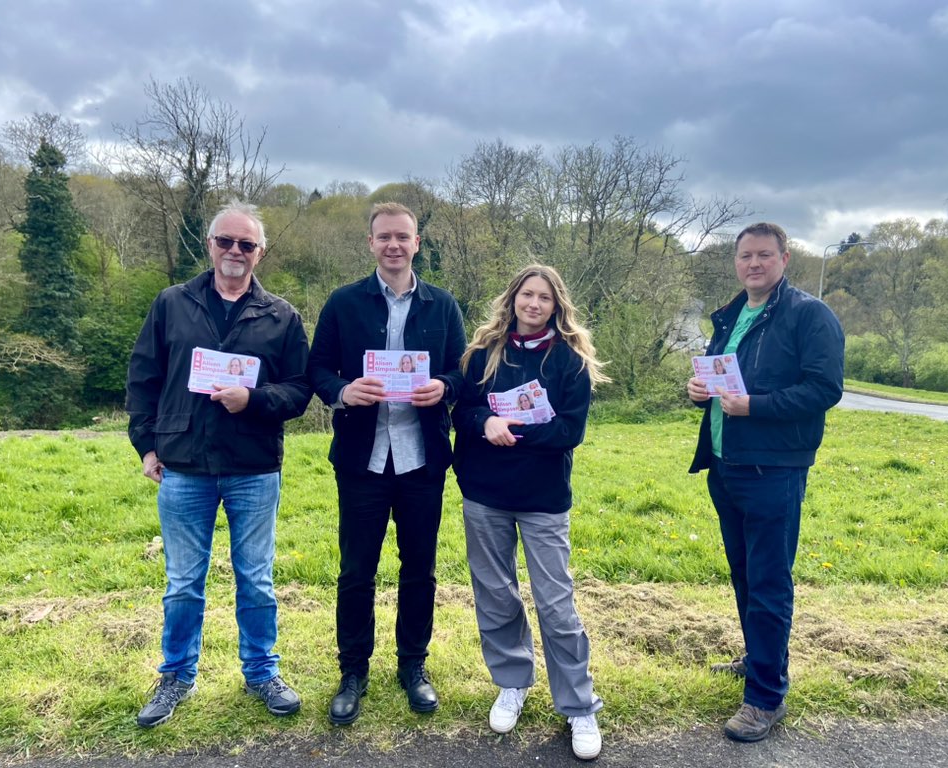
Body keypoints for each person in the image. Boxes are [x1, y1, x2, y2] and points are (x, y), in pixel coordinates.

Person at [126, 201, 312, 728]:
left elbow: (300, 392)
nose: (235, 252)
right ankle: (176, 676)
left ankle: (262, 672)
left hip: (253, 465)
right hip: (184, 462)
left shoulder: (281, 316)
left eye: (246, 245)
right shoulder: (171, 303)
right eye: (226, 241)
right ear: (209, 245)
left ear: (260, 254)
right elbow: (143, 378)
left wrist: (252, 399)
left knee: (256, 578)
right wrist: (146, 444)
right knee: (184, 580)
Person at [307, 202, 466, 725]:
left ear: (417, 243)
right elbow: (316, 368)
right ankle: (352, 671)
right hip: (362, 459)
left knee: (419, 569)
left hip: (421, 460)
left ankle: (413, 666)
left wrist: (444, 387)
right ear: (371, 242)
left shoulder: (443, 306)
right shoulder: (344, 302)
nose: (393, 245)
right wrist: (342, 390)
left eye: (403, 237)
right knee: (356, 571)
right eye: (384, 237)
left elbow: (461, 373)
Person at [687, 222, 844, 743]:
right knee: (745, 575)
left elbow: (824, 389)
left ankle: (765, 698)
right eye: (745, 256)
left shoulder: (808, 314)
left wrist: (755, 406)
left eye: (763, 255)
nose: (753, 264)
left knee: (770, 582)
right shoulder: (731, 314)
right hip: (726, 464)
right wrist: (700, 389)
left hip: (774, 470)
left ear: (784, 258)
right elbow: (723, 378)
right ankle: (760, 658)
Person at [451, 265, 609, 761]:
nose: (534, 304)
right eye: (527, 295)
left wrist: (512, 430)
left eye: (544, 298)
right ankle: (512, 682)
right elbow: (462, 412)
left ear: (557, 306)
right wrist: (486, 422)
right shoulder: (481, 355)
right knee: (496, 596)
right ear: (513, 299)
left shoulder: (571, 361)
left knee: (557, 606)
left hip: (543, 499)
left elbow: (570, 432)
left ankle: (579, 705)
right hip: (485, 494)